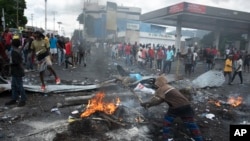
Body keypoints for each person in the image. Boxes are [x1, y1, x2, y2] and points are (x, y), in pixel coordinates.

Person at [140, 75, 203, 141]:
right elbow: (160, 101)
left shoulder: (161, 89)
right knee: (191, 124)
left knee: (167, 123)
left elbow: (156, 100)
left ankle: (165, 138)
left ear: (158, 83)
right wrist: (149, 105)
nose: (156, 86)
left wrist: (146, 103)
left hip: (176, 107)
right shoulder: (170, 87)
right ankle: (199, 139)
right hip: (186, 106)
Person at [5, 38, 27, 107]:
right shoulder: (18, 51)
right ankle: (14, 98)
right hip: (17, 70)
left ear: (12, 44)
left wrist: (8, 65)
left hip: (16, 70)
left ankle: (23, 99)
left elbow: (16, 62)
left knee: (18, 85)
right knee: (14, 85)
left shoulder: (14, 52)